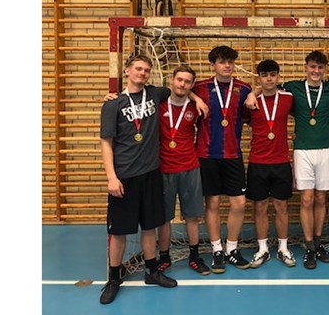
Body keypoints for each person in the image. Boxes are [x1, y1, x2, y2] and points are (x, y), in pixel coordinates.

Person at [245, 50, 329, 270]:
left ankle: (317, 242)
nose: (316, 71)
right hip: (302, 150)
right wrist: (252, 93)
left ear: (324, 69)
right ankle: (308, 246)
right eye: (312, 67)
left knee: (321, 198)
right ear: (305, 67)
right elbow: (268, 86)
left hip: (326, 149)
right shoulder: (292, 87)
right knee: (306, 199)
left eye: (320, 67)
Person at [98, 54, 177, 304]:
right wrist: (111, 177)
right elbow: (106, 142)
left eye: (146, 70)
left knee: (150, 226)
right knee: (119, 231)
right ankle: (113, 278)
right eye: (139, 69)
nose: (143, 73)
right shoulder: (113, 104)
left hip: (151, 174)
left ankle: (152, 271)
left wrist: (196, 99)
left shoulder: (155, 94)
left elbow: (182, 89)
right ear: (127, 71)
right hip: (125, 176)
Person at [193, 45, 253, 273]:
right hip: (207, 155)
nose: (227, 65)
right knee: (213, 203)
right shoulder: (200, 88)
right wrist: (193, 97)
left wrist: (255, 93)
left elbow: (249, 113)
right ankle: (217, 249)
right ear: (213, 65)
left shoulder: (244, 89)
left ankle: (232, 249)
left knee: (239, 203)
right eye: (222, 62)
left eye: (230, 62)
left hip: (232, 154)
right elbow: (178, 91)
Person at [154, 65, 210, 276]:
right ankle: (164, 257)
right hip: (163, 168)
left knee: (192, 216)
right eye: (179, 80)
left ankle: (195, 256)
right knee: (163, 218)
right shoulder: (158, 104)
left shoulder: (197, 108)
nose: (182, 84)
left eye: (187, 81)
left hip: (189, 167)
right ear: (172, 80)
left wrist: (197, 99)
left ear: (192, 85)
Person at [245, 60, 298, 268]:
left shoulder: (288, 98)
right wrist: (253, 93)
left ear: (278, 76)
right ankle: (263, 249)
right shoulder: (251, 102)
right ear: (259, 77)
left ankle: (283, 248)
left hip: (281, 162)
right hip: (258, 161)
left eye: (273, 74)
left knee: (281, 206)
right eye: (264, 75)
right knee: (260, 207)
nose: (269, 79)